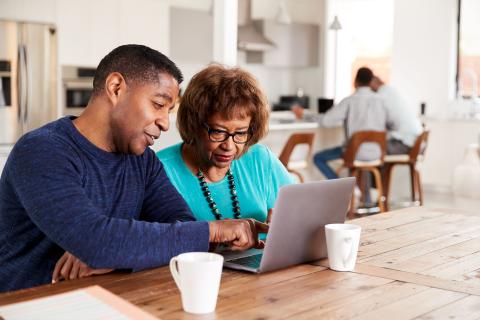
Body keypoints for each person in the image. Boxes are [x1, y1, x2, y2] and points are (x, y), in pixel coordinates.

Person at [0, 45, 267, 292]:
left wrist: (118, 254)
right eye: (159, 104)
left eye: (169, 110)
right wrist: (215, 230)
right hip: (28, 304)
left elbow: (183, 226)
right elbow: (95, 239)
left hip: (105, 299)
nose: (165, 122)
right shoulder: (41, 151)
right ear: (116, 88)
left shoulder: (143, 161)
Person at [156, 65, 294, 225]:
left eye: (241, 133)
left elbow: (302, 212)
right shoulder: (160, 170)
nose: (229, 146)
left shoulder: (260, 159)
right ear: (194, 124)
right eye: (218, 132)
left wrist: (283, 226)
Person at [292, 67, 387, 180]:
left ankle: (345, 188)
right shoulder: (382, 101)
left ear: (355, 82)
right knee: (363, 166)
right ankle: (363, 196)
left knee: (318, 158)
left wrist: (304, 114)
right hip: (377, 154)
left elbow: (326, 121)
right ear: (371, 82)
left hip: (354, 153)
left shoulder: (350, 101)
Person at [369, 76, 422, 154]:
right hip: (415, 142)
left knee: (369, 151)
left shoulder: (381, 95)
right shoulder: (392, 90)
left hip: (406, 144)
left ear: (373, 84)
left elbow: (377, 123)